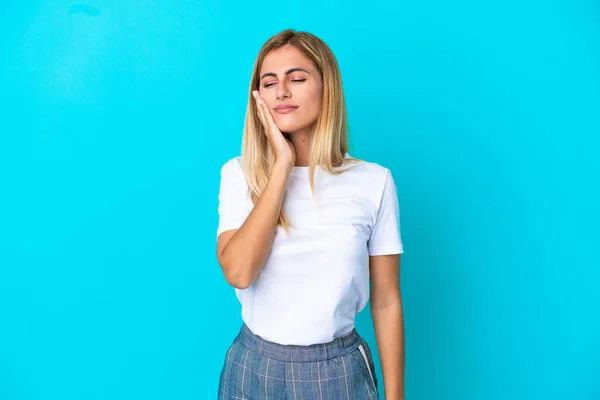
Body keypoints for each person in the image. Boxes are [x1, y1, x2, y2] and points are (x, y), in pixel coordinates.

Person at [215, 28, 405, 400]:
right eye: (269, 83)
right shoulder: (238, 174)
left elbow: (386, 301)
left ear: (327, 87)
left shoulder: (373, 182)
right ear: (258, 98)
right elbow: (238, 272)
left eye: (297, 78)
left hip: (338, 371)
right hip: (252, 367)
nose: (282, 91)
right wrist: (282, 166)